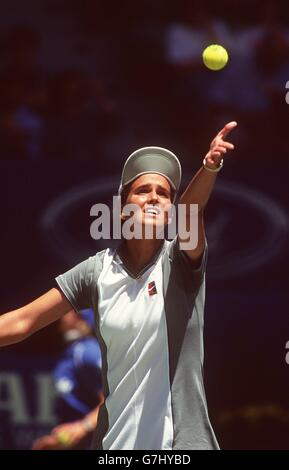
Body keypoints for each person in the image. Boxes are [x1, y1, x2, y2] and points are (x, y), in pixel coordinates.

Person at [0, 121, 237, 450]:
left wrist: (210, 167)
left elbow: (191, 212)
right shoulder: (96, 271)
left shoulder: (180, 261)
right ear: (123, 209)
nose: (154, 197)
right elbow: (23, 321)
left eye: (165, 194)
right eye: (143, 190)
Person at [32, 309, 104, 450]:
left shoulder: (87, 351)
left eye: (69, 311)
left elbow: (113, 398)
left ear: (79, 317)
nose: (63, 315)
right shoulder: (71, 352)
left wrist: (83, 427)